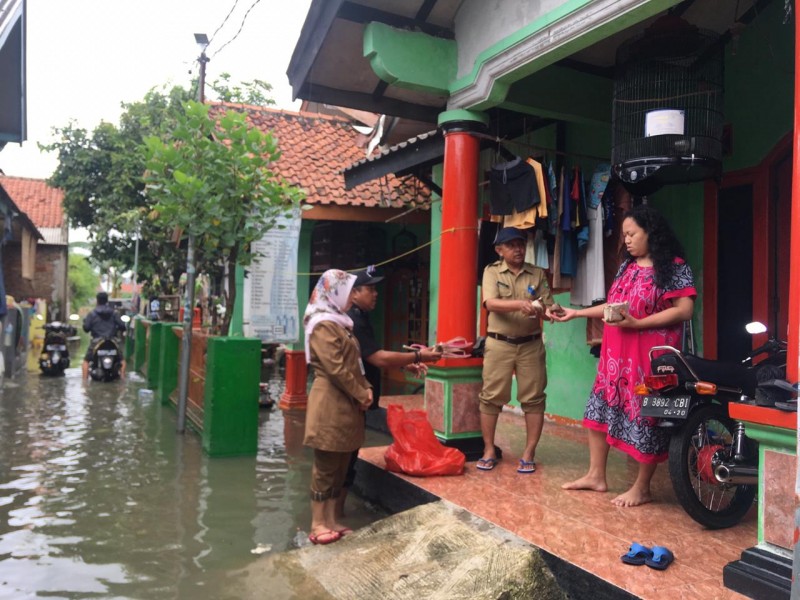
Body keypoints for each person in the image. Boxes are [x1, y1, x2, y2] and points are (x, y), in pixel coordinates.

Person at [554, 204, 696, 507]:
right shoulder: (627, 267)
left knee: (648, 418)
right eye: (624, 235)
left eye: (632, 234)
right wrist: (575, 313)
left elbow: (684, 310)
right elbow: (612, 307)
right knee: (597, 413)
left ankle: (642, 487)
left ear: (651, 233)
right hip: (614, 357)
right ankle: (596, 475)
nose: (627, 241)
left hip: (650, 359)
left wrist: (639, 324)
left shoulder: (674, 266)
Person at [336, 266, 442, 518]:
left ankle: (335, 516)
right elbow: (378, 358)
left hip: (358, 399)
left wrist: (406, 362)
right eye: (370, 289)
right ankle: (333, 517)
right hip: (351, 399)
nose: (375, 294)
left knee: (348, 458)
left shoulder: (359, 316)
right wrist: (418, 354)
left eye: (375, 289)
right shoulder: (354, 319)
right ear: (353, 293)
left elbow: (372, 355)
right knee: (343, 460)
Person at [477, 227, 559, 474]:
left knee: (533, 399)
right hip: (499, 344)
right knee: (491, 398)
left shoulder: (536, 273)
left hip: (531, 345)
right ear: (499, 250)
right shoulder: (491, 272)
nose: (518, 249)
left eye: (521, 244)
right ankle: (489, 449)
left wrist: (553, 312)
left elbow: (547, 304)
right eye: (511, 245)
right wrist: (520, 304)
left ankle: (529, 452)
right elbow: (490, 303)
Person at [303, 269, 372, 545]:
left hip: (348, 401)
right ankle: (317, 523)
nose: (350, 296)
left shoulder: (341, 323)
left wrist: (365, 387)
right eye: (347, 289)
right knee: (326, 464)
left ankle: (331, 519)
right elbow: (335, 368)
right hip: (331, 400)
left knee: (342, 462)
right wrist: (360, 392)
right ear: (333, 292)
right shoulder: (321, 324)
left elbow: (354, 365)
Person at [82, 292, 127, 380]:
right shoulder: (114, 313)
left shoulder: (92, 314)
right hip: (112, 341)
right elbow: (123, 326)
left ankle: (84, 383)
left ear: (97, 301)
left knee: (86, 361)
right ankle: (122, 380)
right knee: (122, 360)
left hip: (96, 342)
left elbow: (86, 328)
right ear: (107, 301)